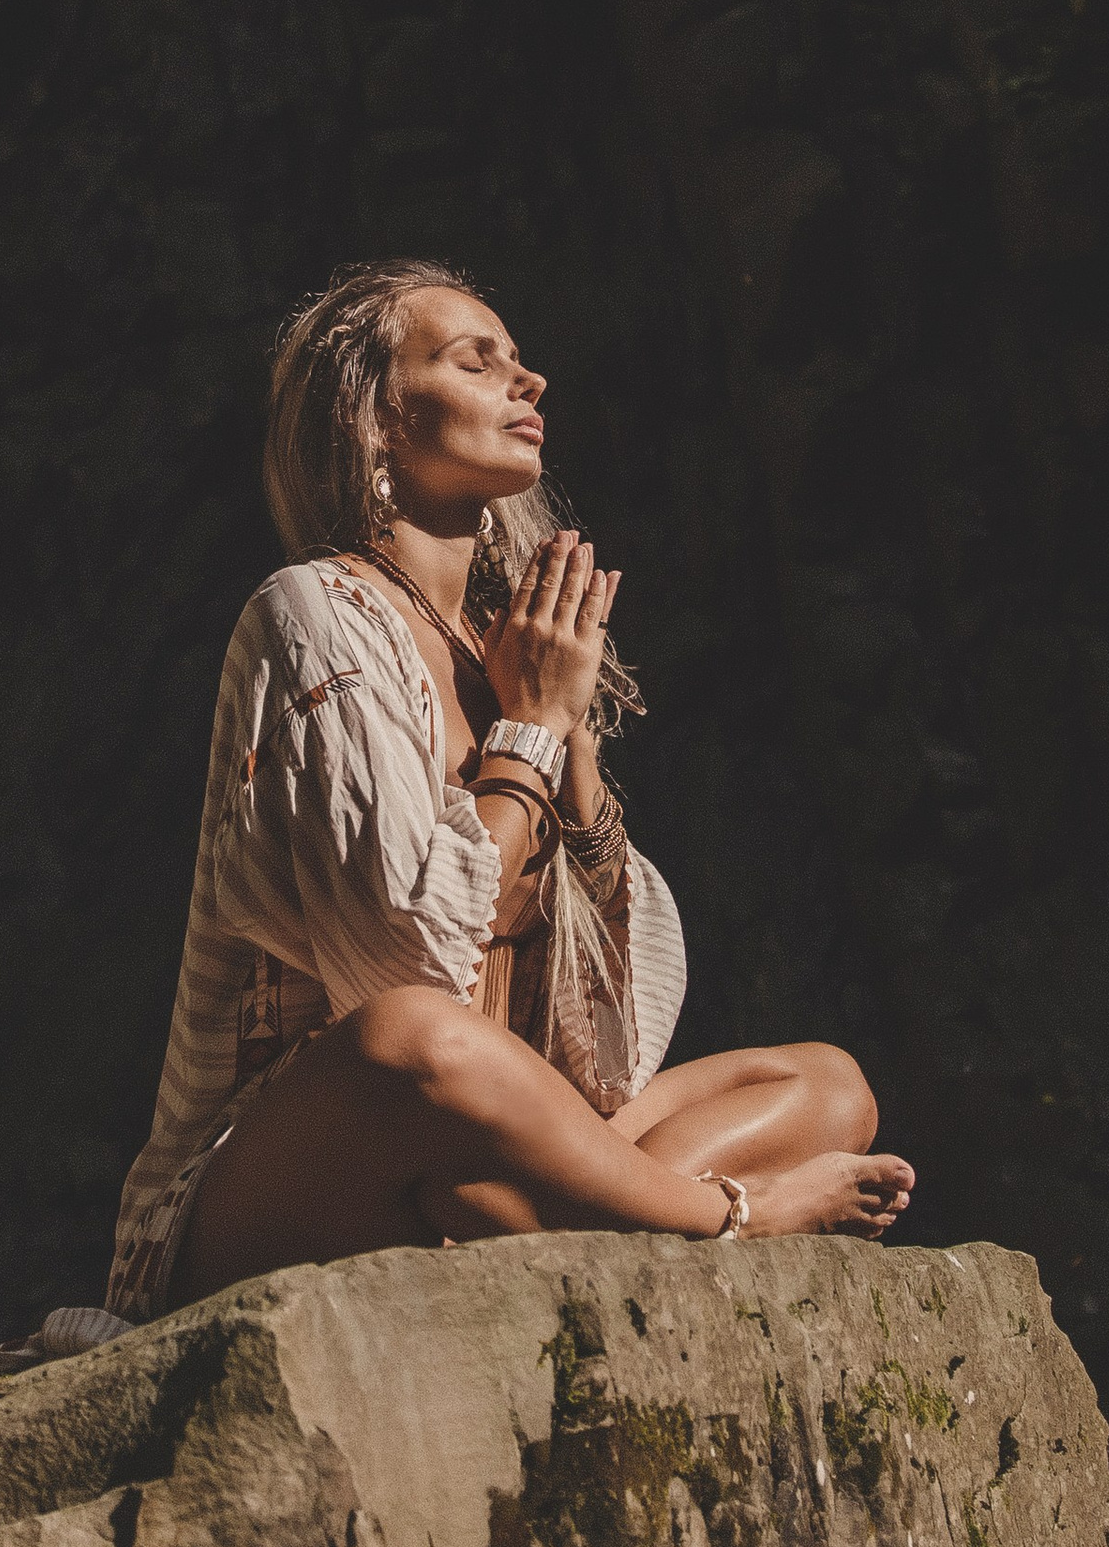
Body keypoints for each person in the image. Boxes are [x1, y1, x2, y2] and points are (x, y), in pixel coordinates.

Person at [98, 257, 914, 1326]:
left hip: (471, 1160)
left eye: (522, 362)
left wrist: (565, 752)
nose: (526, 383)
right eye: (473, 360)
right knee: (413, 1040)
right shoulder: (310, 615)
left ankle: (586, 1218)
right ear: (374, 419)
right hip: (298, 1179)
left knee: (827, 1086)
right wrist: (526, 735)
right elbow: (404, 967)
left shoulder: (508, 652)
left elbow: (601, 1054)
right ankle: (723, 1220)